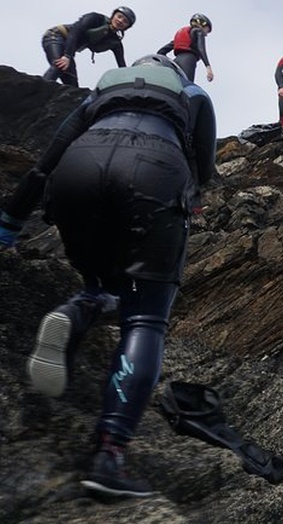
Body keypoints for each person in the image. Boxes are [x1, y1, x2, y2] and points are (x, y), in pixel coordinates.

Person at [1, 54, 216, 497]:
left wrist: (9, 225)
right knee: (145, 319)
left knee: (102, 283)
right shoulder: (190, 93)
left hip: (78, 168)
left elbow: (48, 159)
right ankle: (109, 454)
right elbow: (204, 167)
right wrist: (188, 199)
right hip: (154, 170)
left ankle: (79, 310)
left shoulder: (105, 87)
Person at [41, 7, 136, 87]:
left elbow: (122, 66)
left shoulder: (115, 42)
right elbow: (75, 32)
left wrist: (130, 82)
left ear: (126, 27)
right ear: (113, 15)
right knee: (60, 66)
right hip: (56, 36)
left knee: (72, 85)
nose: (120, 21)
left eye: (125, 21)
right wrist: (67, 56)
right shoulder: (95, 18)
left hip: (68, 50)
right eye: (119, 17)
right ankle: (39, 88)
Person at [156, 13, 214, 83]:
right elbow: (201, 49)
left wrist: (168, 64)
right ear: (202, 24)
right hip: (188, 60)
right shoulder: (198, 32)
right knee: (186, 85)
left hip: (176, 62)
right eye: (206, 30)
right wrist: (208, 67)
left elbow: (161, 52)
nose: (206, 34)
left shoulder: (184, 33)